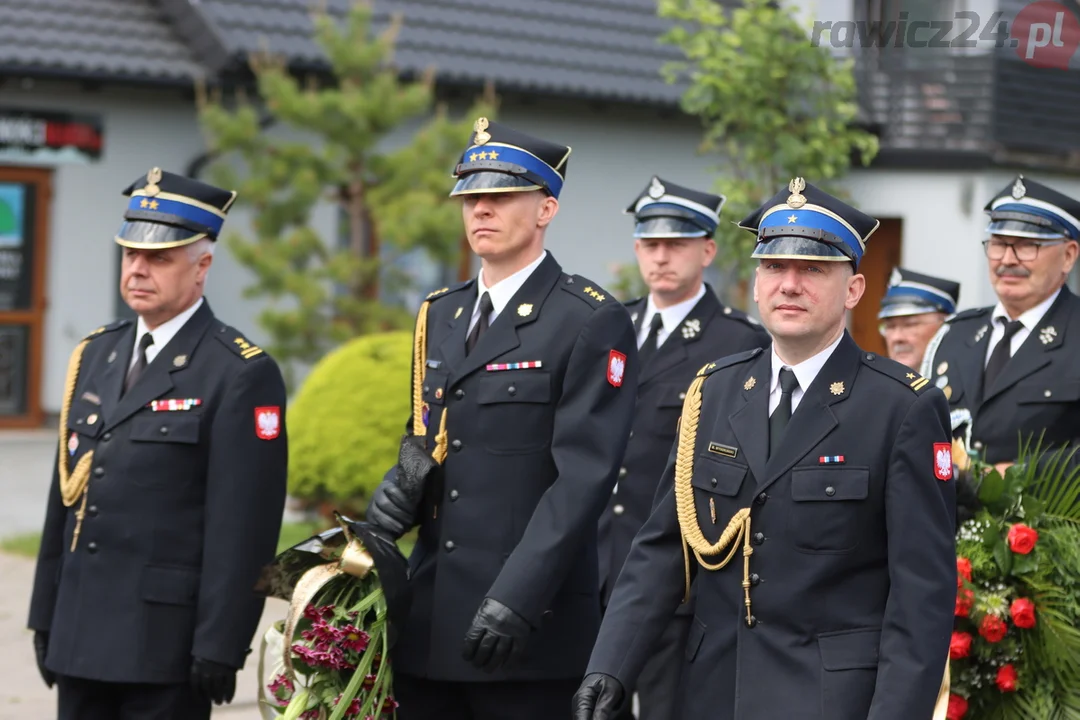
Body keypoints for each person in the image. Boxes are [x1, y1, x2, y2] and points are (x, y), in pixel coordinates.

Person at [573, 178, 956, 720]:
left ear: (853, 290)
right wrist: (609, 665)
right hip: (712, 694)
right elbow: (664, 547)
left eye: (813, 269)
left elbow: (922, 600)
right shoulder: (715, 391)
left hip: (829, 701)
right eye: (774, 267)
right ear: (755, 284)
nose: (789, 285)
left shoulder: (902, 408)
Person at [365, 118, 639, 720]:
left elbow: (582, 481)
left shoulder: (587, 319)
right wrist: (401, 483)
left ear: (546, 209)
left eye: (500, 197)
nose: (480, 209)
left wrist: (517, 598)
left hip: (527, 627)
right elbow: (434, 436)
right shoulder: (441, 312)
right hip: (432, 620)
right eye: (471, 197)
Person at [27, 168, 289, 720]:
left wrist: (222, 642)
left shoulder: (238, 372)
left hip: (164, 646)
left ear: (203, 267)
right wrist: (45, 615)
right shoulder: (95, 355)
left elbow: (243, 527)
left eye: (159, 258)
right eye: (130, 256)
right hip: (79, 633)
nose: (139, 269)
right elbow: (65, 500)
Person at [597, 175, 768, 720]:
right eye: (650, 244)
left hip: (682, 573)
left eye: (677, 244)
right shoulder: (608, 326)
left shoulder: (738, 342)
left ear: (709, 250)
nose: (661, 257)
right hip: (595, 565)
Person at [921, 175, 1080, 472]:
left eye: (1027, 246)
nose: (1007, 259)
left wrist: (1013, 476)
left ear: (1068, 256)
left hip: (1048, 515)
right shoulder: (956, 334)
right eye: (998, 244)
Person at [878, 267, 960, 371]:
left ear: (945, 325)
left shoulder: (967, 381)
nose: (896, 337)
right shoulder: (877, 384)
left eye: (910, 325)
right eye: (890, 326)